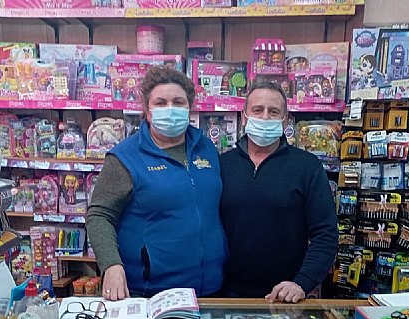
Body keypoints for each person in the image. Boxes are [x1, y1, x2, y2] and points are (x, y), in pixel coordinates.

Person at [87, 66, 226, 301]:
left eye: (178, 102)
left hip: (210, 288)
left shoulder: (206, 148)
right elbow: (100, 215)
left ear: (189, 107)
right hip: (152, 293)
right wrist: (111, 265)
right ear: (147, 110)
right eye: (161, 103)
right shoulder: (125, 157)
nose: (170, 109)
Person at [219, 81, 338, 303]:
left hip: (286, 295)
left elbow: (326, 234)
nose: (265, 117)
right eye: (257, 110)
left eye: (273, 112)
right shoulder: (222, 165)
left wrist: (302, 282)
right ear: (244, 117)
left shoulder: (307, 167)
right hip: (226, 294)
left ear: (285, 120)